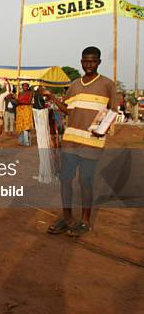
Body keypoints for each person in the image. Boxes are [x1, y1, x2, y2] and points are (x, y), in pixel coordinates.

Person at [43, 46, 117, 237]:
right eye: (85, 61)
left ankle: (84, 221)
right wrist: (51, 97)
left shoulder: (107, 84)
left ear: (99, 62)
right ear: (81, 62)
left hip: (92, 142)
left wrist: (104, 129)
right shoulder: (74, 85)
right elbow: (68, 110)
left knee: (85, 181)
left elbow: (113, 111)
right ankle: (67, 218)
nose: (88, 64)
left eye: (92, 61)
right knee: (65, 180)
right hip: (70, 141)